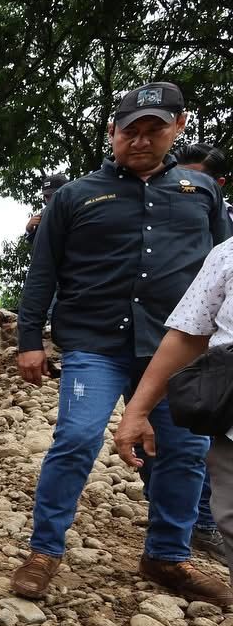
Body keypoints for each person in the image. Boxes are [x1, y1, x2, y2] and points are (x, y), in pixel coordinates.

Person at [12, 81, 232, 603]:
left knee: (184, 449)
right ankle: (44, 549)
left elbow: (223, 269)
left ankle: (167, 556)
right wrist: (29, 340)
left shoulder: (200, 194)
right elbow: (43, 272)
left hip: (176, 345)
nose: (140, 140)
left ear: (177, 127)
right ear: (112, 133)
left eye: (153, 129)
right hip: (95, 342)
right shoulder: (75, 196)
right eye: (129, 130)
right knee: (77, 438)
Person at [113, 236, 233, 604]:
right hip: (230, 430)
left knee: (184, 453)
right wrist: (138, 410)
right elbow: (188, 333)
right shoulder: (227, 254)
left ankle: (171, 549)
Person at [178, 144, 233, 554]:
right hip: (179, 334)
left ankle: (200, 520)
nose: (189, 186)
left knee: (194, 444)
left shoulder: (219, 221)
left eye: (199, 179)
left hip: (204, 340)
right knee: (195, 434)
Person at [25, 175, 68, 240]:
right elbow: (40, 244)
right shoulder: (44, 216)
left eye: (54, 195)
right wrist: (29, 230)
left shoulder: (78, 210)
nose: (50, 200)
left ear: (66, 192)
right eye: (47, 196)